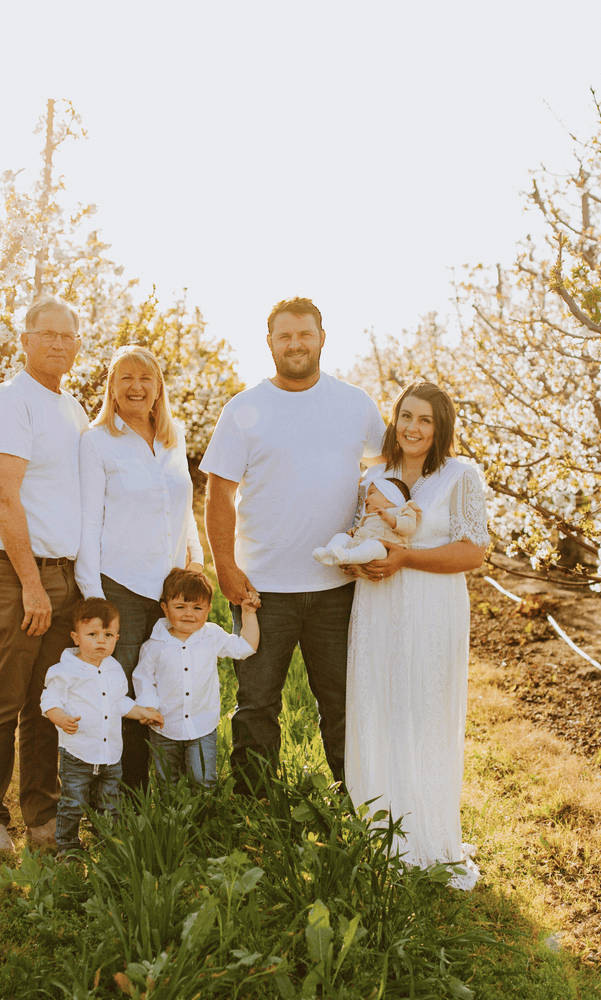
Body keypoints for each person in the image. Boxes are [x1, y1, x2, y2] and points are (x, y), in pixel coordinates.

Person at [200, 296, 384, 795]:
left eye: (305, 333)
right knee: (257, 700)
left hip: (338, 585)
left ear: (322, 338)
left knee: (341, 699)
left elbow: (392, 468)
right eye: (285, 335)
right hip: (263, 588)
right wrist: (226, 567)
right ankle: (255, 801)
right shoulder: (243, 409)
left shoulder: (355, 404)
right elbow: (219, 494)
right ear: (270, 343)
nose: (296, 344)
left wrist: (382, 538)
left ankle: (360, 795)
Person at [342, 380, 489, 889]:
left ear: (440, 426)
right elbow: (365, 536)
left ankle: (427, 832)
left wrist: (408, 559)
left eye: (425, 419)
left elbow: (474, 551)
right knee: (378, 707)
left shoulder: (460, 475)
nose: (412, 427)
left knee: (424, 710)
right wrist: (357, 566)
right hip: (379, 607)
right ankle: (378, 824)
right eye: (406, 416)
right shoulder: (374, 476)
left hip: (431, 607)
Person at [0, 294, 89, 855]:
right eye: (49, 334)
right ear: (25, 339)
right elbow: (3, 497)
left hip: (62, 577)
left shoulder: (72, 407)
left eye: (69, 336)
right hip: (18, 576)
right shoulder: (10, 402)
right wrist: (32, 585)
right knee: (2, 699)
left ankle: (42, 817)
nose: (60, 344)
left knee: (46, 703)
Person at [76, 345, 204, 790]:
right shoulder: (96, 443)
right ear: (111, 387)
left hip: (169, 590)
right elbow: (89, 522)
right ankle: (122, 798)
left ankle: (169, 790)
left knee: (168, 686)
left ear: (158, 388)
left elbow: (182, 507)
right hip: (121, 587)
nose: (136, 387)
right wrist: (94, 596)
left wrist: (197, 559)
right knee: (123, 693)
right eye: (125, 378)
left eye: (145, 378)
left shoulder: (173, 437)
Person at [40, 597, 164, 852]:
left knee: (110, 801)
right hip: (78, 752)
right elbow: (49, 699)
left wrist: (142, 711)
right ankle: (68, 845)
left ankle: (108, 839)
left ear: (117, 638)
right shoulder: (64, 670)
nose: (101, 640)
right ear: (76, 637)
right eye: (93, 634)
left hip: (110, 755)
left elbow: (119, 702)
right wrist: (60, 718)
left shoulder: (113, 668)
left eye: (108, 634)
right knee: (74, 802)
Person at [133, 568, 260, 786]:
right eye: (180, 607)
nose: (188, 614)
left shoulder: (211, 635)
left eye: (197, 607)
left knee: (202, 779)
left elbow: (244, 647)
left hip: (202, 724)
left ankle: (204, 815)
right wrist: (148, 707)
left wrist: (248, 614)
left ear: (209, 609)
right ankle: (171, 818)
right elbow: (144, 680)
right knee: (167, 781)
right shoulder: (153, 646)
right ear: (164, 608)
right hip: (165, 725)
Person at [312, 477, 421, 566]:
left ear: (389, 496)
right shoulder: (368, 517)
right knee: (341, 536)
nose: (365, 499)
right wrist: (354, 531)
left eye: (371, 493)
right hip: (361, 543)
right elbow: (363, 528)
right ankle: (329, 553)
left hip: (384, 550)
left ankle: (346, 556)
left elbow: (410, 526)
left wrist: (390, 518)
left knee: (374, 545)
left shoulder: (401, 510)